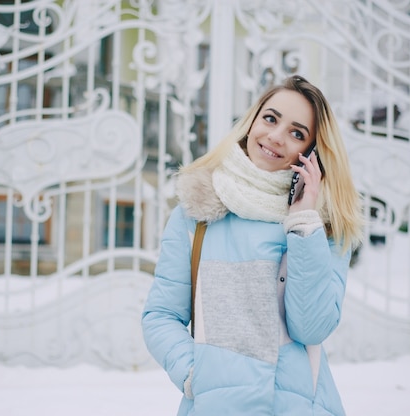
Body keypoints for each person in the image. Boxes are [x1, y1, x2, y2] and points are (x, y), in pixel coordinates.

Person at [141, 75, 363, 415]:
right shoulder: (196, 213)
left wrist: (303, 223)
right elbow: (161, 316)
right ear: (252, 121)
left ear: (313, 151)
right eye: (271, 119)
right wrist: (194, 376)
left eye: (297, 133)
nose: (276, 137)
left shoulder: (324, 227)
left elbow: (312, 327)